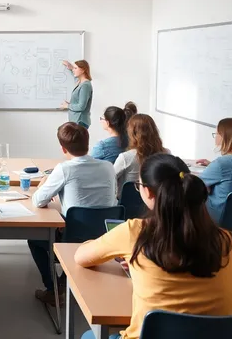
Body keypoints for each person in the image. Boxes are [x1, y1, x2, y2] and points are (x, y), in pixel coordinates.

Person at [75, 153, 232, 339]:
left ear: (148, 192)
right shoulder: (226, 240)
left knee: (88, 336)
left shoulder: (134, 233)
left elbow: (81, 257)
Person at [28, 122, 116, 305]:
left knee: (34, 240)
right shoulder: (108, 167)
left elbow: (38, 200)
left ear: (63, 148)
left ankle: (53, 290)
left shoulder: (65, 169)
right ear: (88, 143)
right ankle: (64, 281)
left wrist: (46, 183)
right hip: (105, 239)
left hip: (72, 238)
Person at [114, 114, 169, 197]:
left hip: (127, 206)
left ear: (132, 133)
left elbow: (109, 179)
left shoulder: (125, 157)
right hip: (157, 204)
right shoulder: (167, 153)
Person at [196, 118, 232, 223]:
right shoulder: (222, 165)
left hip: (218, 217)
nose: (215, 136)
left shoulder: (221, 164)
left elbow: (195, 184)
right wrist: (212, 165)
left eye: (216, 133)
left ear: (224, 136)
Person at [61, 60, 93, 128]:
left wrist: (68, 105)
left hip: (79, 121)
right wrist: (70, 67)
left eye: (75, 68)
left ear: (83, 70)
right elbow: (75, 77)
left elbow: (81, 106)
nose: (73, 70)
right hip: (76, 121)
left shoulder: (85, 85)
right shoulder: (80, 83)